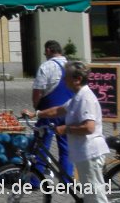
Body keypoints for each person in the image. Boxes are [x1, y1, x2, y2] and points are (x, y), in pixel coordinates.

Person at [23, 61, 109, 203]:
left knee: (96, 199)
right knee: (90, 197)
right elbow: (59, 110)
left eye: (66, 77)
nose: (63, 80)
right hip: (83, 153)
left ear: (77, 79)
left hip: (90, 153)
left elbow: (89, 127)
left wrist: (66, 129)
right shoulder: (77, 96)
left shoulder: (85, 98)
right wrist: (36, 114)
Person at [32, 40, 74, 177]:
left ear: (49, 50)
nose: (45, 54)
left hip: (49, 111)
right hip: (68, 110)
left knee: (41, 145)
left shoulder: (47, 66)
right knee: (66, 146)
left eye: (45, 51)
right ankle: (66, 179)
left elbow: (38, 90)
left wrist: (36, 106)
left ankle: (36, 178)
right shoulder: (71, 66)